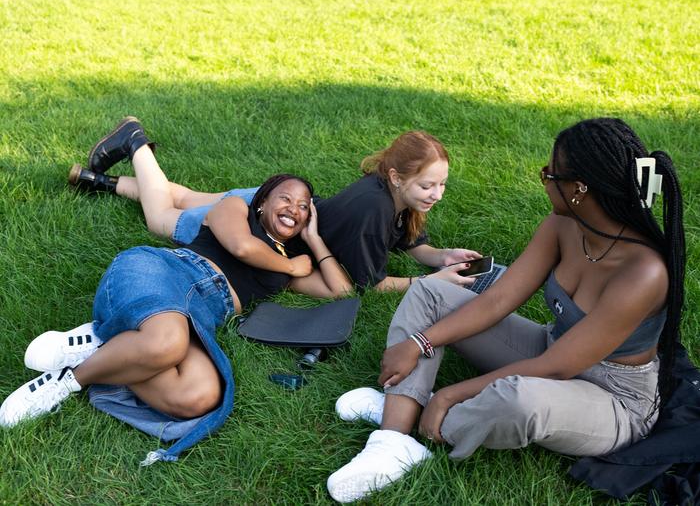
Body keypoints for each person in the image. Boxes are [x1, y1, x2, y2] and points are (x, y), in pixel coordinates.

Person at [325, 118, 686, 503]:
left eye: (549, 174)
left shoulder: (644, 272)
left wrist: (450, 395)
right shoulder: (562, 226)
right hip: (551, 349)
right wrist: (418, 341)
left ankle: (425, 409)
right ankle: (394, 439)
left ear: (579, 188)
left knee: (518, 400)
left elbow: (558, 368)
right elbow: (498, 300)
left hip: (613, 398)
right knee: (431, 293)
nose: (544, 181)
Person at [0, 120, 351, 464]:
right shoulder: (235, 210)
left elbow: (340, 291)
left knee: (199, 397)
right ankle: (66, 383)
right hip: (164, 272)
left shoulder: (285, 261)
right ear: (261, 203)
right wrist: (292, 266)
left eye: (304, 206)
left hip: (197, 318)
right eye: (285, 199)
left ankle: (112, 346)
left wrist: (315, 241)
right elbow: (242, 248)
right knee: (167, 344)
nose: (294, 208)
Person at [69, 122, 482, 291]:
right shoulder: (371, 212)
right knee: (163, 218)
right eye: (428, 185)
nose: (436, 194)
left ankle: (99, 181)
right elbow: (369, 285)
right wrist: (430, 281)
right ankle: (135, 142)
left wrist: (439, 257)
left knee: (180, 195)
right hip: (260, 225)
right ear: (396, 177)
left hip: (272, 202)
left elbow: (410, 245)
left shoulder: (393, 194)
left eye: (442, 184)